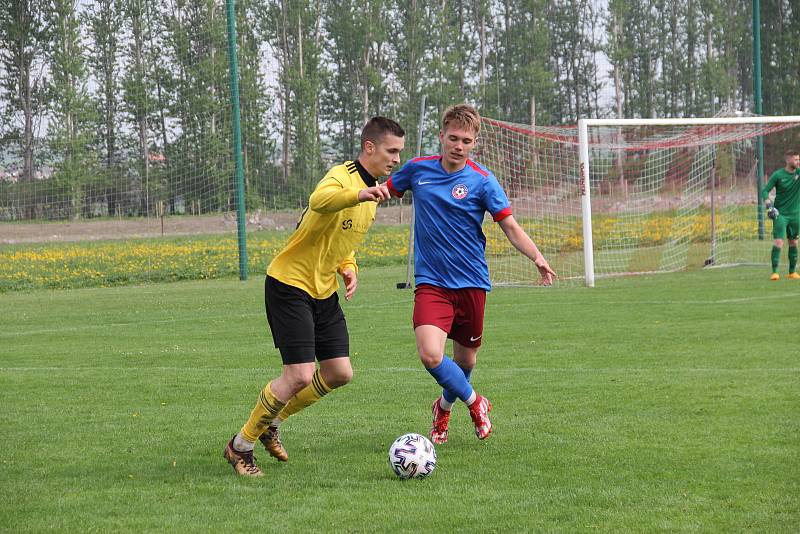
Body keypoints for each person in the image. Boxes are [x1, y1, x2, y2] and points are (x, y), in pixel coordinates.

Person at [224, 117, 405, 476]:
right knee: (300, 375)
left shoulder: (373, 196)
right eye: (391, 150)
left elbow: (343, 243)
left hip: (323, 290)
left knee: (339, 372)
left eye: (400, 151)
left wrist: (349, 267)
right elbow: (319, 201)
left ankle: (270, 422)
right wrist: (358, 193)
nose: (397, 159)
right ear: (370, 147)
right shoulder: (343, 175)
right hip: (289, 283)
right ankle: (240, 446)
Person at [386, 104, 556, 444]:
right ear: (441, 136)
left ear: (474, 142)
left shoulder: (482, 181)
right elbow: (381, 193)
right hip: (432, 283)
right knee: (431, 354)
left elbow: (509, 226)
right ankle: (476, 402)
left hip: (472, 284)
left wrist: (537, 256)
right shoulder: (417, 170)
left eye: (466, 140)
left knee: (464, 362)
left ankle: (443, 409)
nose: (458, 146)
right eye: (453, 138)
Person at [762, 149, 800, 281]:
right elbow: (765, 191)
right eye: (795, 159)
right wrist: (769, 206)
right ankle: (775, 272)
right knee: (779, 241)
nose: (798, 161)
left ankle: (792, 272)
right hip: (780, 214)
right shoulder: (778, 175)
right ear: (788, 160)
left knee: (794, 242)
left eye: (798, 159)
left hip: (795, 215)